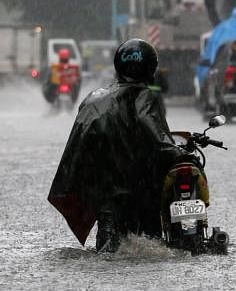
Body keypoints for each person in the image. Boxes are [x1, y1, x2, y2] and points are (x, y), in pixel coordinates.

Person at [47, 38, 185, 252]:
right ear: (151, 67)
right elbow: (157, 137)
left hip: (105, 195)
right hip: (140, 193)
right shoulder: (145, 97)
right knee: (151, 244)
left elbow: (80, 146)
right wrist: (179, 154)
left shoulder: (94, 98)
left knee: (106, 249)